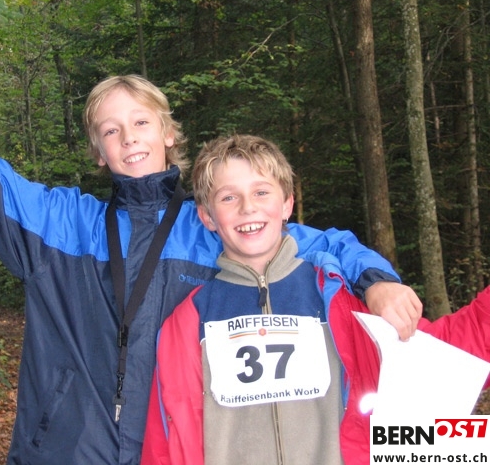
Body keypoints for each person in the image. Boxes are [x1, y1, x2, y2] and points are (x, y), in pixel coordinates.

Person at [0, 20, 422, 465]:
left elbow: (325, 245)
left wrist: (377, 282)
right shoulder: (63, 224)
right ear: (99, 152)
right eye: (111, 130)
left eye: (141, 121)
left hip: (172, 448)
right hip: (66, 447)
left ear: (167, 133)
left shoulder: (214, 225)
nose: (129, 137)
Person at [141, 134, 490, 465]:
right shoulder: (187, 322)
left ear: (287, 204)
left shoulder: (338, 298)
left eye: (261, 192)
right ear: (207, 216)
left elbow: (446, 353)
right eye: (228, 198)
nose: (248, 207)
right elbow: (164, 445)